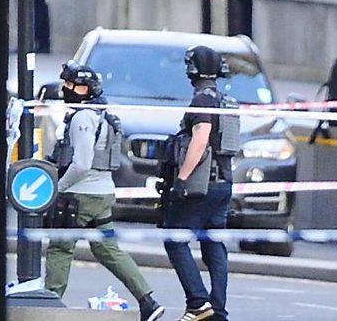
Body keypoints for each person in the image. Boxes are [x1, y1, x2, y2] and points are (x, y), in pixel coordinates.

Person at [45, 61, 164, 321]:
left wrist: (57, 188)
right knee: (107, 248)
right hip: (102, 194)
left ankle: (48, 305)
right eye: (66, 83)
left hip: (80, 196)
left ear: (86, 89)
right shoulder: (103, 114)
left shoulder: (82, 117)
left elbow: (81, 164)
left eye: (72, 85)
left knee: (60, 246)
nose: (67, 89)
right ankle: (148, 301)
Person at [162, 45, 240, 321]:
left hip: (202, 184)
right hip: (223, 183)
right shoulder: (225, 99)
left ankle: (198, 303)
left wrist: (181, 179)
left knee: (174, 239)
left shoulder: (202, 101)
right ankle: (217, 309)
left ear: (192, 69)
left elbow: (200, 137)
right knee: (213, 244)